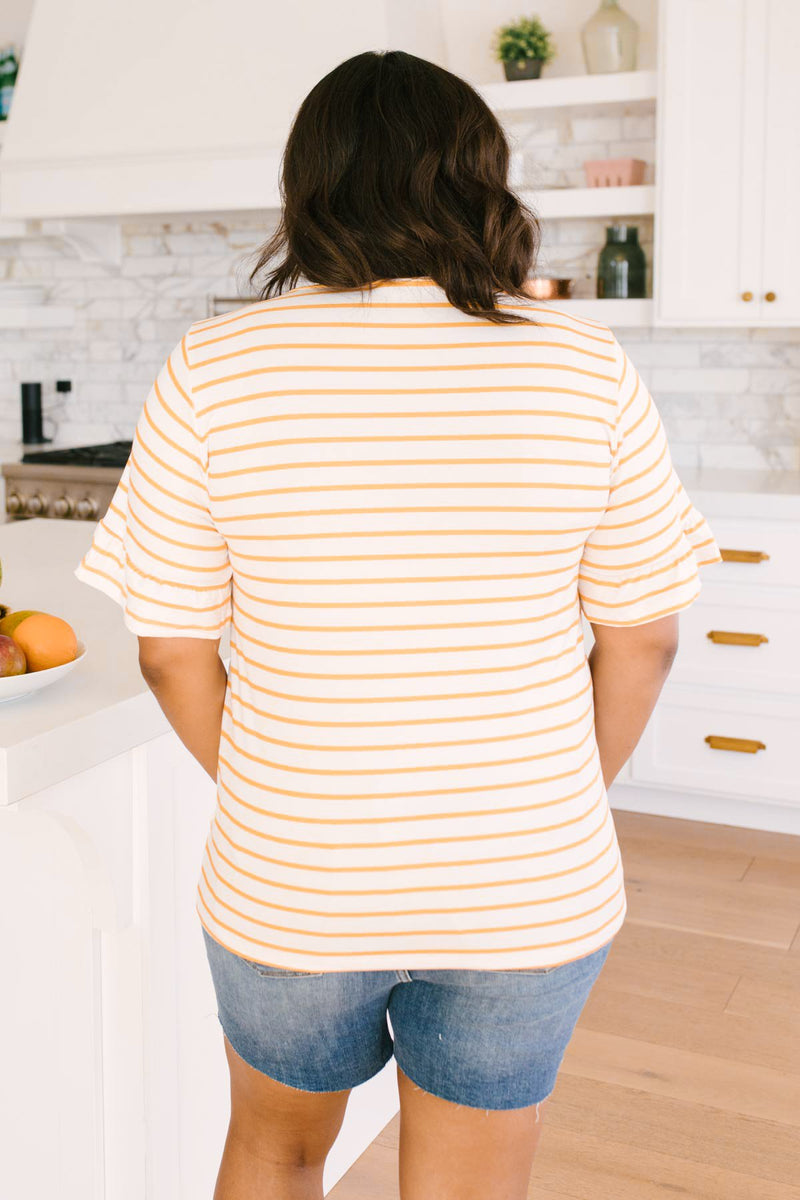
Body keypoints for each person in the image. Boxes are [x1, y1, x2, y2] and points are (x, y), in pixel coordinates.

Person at [74, 48, 721, 1200]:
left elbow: (172, 647)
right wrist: (560, 789)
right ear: (484, 180)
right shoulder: (583, 367)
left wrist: (283, 790)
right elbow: (642, 637)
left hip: (293, 873)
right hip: (526, 876)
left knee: (274, 1150)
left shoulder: (214, 368)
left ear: (309, 189)